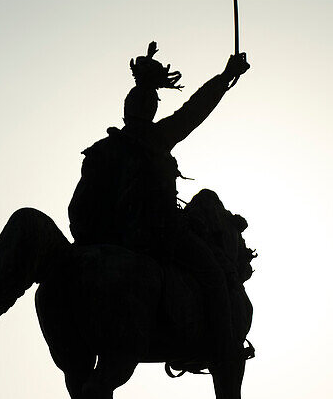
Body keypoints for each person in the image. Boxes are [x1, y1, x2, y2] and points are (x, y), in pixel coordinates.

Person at [68, 43, 250, 360]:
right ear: (151, 111)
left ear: (127, 110)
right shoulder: (157, 137)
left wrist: (89, 241)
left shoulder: (100, 149)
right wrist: (225, 76)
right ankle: (225, 349)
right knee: (214, 276)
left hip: (107, 238)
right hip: (163, 236)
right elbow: (195, 110)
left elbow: (78, 208)